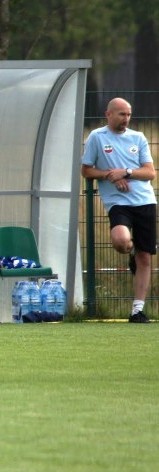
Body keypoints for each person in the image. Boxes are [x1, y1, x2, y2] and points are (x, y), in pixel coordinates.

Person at [82, 97, 156, 323]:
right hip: (118, 203)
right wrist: (108, 175)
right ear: (109, 114)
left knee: (145, 256)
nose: (126, 119)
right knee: (121, 241)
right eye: (121, 114)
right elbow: (86, 170)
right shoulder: (97, 137)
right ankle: (130, 251)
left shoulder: (138, 138)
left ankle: (137, 309)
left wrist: (126, 172)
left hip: (144, 201)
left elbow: (150, 173)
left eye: (128, 115)